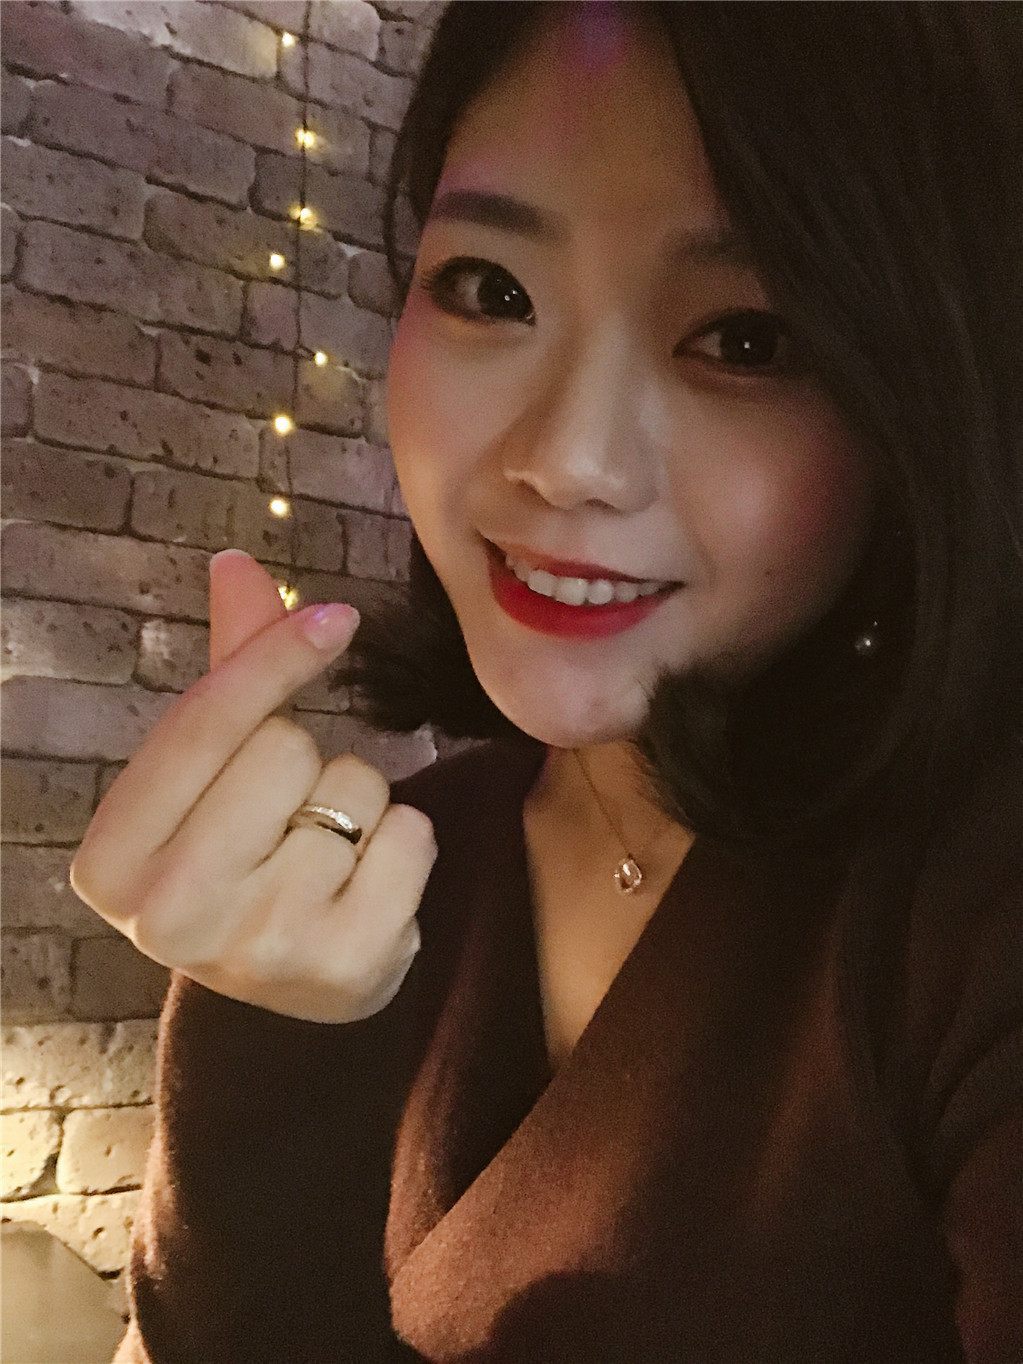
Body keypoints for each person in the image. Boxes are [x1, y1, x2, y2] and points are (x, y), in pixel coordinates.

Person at [69, 3, 1022, 1360]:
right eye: (490, 290)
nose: (569, 459)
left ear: (929, 394)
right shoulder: (394, 866)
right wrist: (260, 1032)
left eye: (747, 339)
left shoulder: (974, 900)